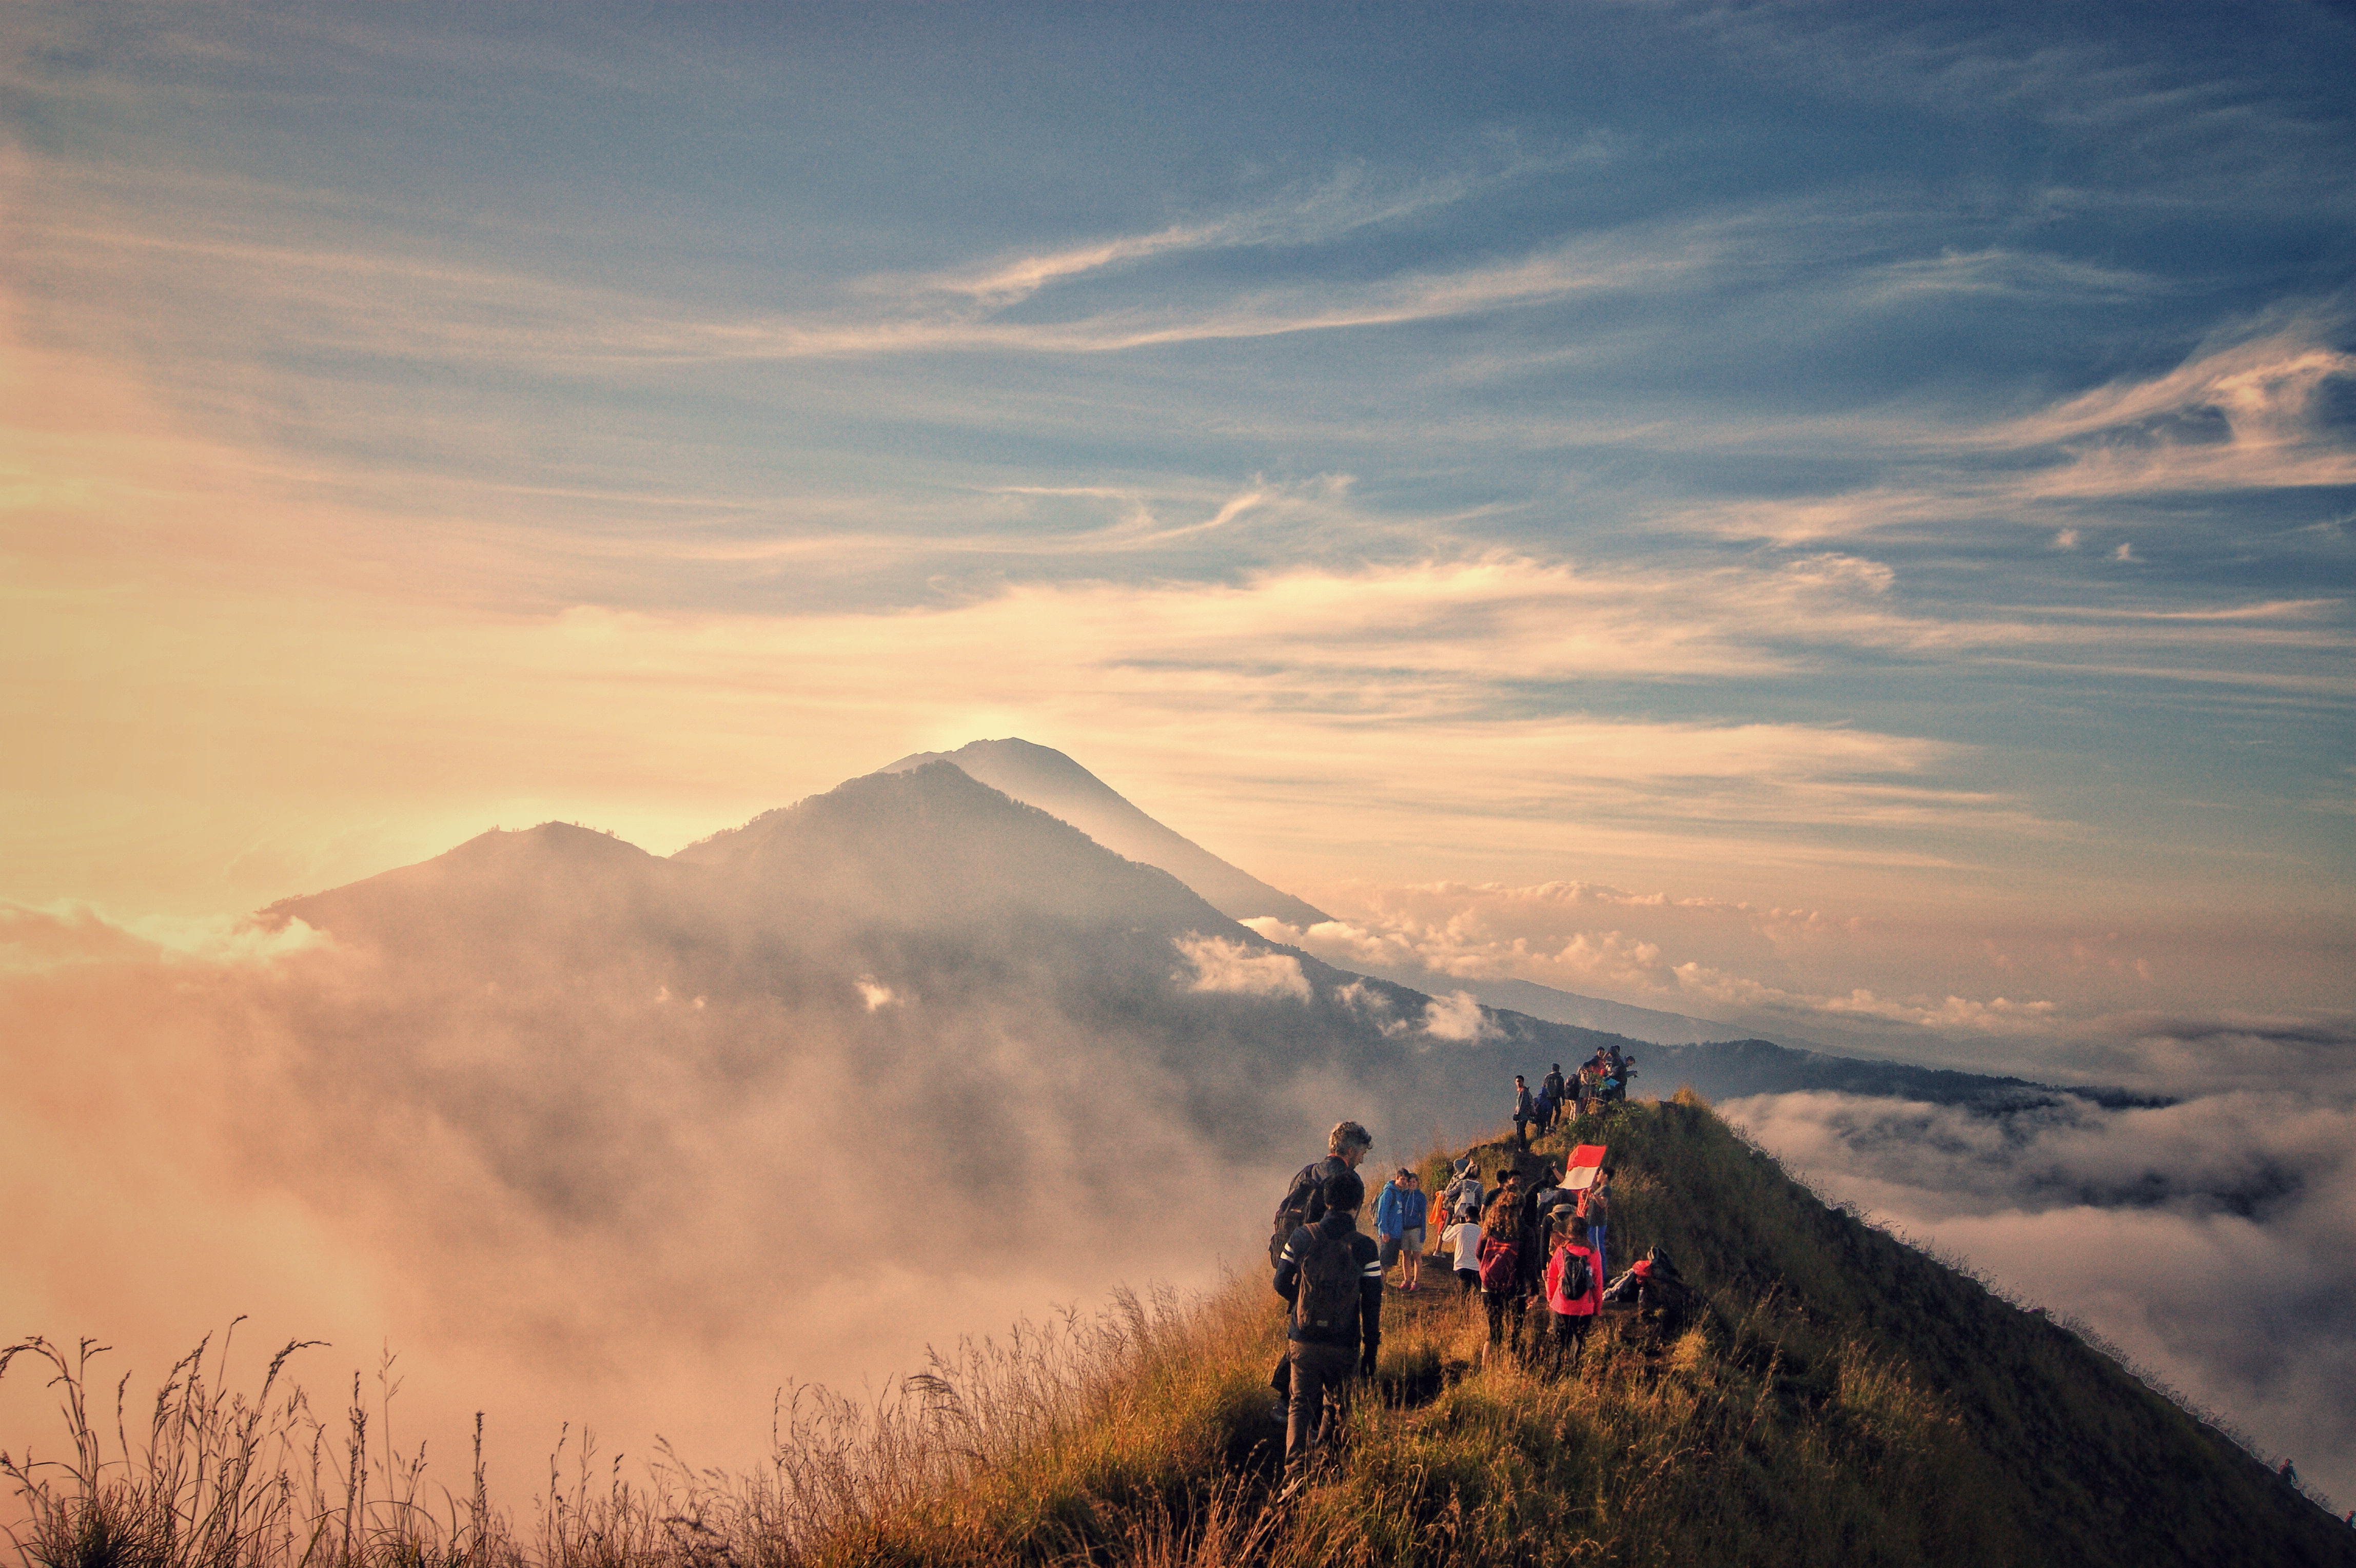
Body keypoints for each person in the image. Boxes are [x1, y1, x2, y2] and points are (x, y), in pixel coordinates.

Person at [1272, 1166, 1382, 1476]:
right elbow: (1372, 1303)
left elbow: (1280, 1282)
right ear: (1357, 1204)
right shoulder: (1365, 1247)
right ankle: (1329, 1466)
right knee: (1338, 1406)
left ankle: (1295, 1472)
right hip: (1344, 1342)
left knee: (1300, 1405)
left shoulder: (1302, 1236)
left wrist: (1300, 1304)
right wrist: (1371, 1348)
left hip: (1303, 1339)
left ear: (1326, 1199)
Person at [1270, 1120, 1373, 1268]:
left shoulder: (1305, 1174)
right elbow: (1348, 1229)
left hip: (1292, 1261)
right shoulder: (1350, 1181)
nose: (1361, 1161)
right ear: (1351, 1151)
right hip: (1325, 1268)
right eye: (1361, 1154)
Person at [1542, 1203, 1603, 1364]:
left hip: (1561, 1305)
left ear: (1569, 1232)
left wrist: (1551, 1299)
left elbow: (1552, 1277)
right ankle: (1575, 1376)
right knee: (1579, 1345)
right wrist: (1597, 1307)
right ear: (1586, 1233)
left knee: (1559, 1346)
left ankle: (1556, 1375)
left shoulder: (1561, 1251)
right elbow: (1598, 1282)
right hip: (1585, 1307)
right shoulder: (1593, 1253)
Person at [1476, 1170, 1525, 1350]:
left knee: (1494, 1334)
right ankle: (1511, 1368)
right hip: (1515, 1287)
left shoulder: (1489, 1227)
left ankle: (1485, 1371)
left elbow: (1478, 1253)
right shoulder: (1524, 1231)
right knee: (1514, 1333)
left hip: (1489, 1286)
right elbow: (1528, 1263)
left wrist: (1488, 1268)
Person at [1374, 1167, 1427, 1290]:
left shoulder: (1402, 1194)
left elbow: (1423, 1215)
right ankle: (1381, 1287)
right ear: (1397, 1178)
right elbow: (1382, 1213)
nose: (1405, 1182)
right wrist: (1384, 1231)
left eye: (1407, 1180)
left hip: (1401, 1233)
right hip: (1390, 1234)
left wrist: (1423, 1233)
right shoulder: (1389, 1193)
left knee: (1391, 1263)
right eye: (1403, 1179)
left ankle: (1412, 1282)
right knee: (1385, 1262)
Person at [1511, 1074, 1534, 1149]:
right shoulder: (1521, 1091)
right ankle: (1522, 1146)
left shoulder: (1524, 1091)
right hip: (1521, 1114)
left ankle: (1522, 1147)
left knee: (1521, 1130)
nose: (1518, 1083)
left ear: (1523, 1082)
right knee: (1519, 1131)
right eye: (1517, 1081)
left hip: (1523, 1115)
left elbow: (1523, 1103)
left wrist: (1518, 1113)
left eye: (1520, 1081)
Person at [1542, 1064, 1566, 1129]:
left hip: (1548, 1097)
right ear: (1558, 1069)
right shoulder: (1560, 1078)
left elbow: (1543, 1088)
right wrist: (1563, 1099)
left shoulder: (1547, 1077)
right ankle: (1555, 1125)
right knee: (1558, 1111)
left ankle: (1548, 1126)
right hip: (1556, 1097)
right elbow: (1562, 1089)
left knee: (1549, 1112)